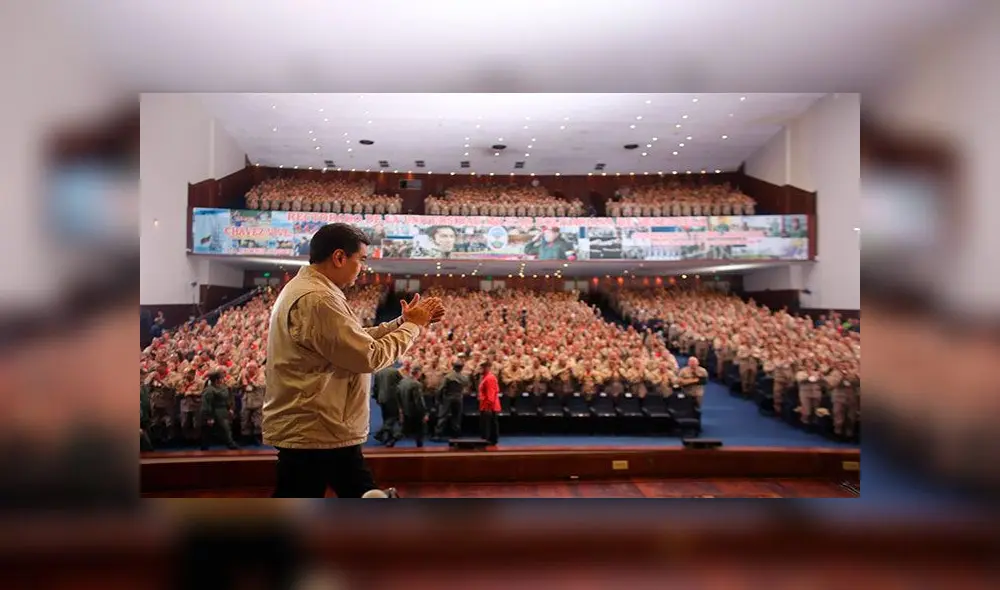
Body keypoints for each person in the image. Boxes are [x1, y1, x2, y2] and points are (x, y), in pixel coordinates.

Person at [263, 223, 445, 498]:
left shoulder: (311, 289)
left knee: (346, 489)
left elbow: (353, 339)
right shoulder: (318, 299)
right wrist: (413, 327)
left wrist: (402, 322)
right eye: (361, 260)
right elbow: (368, 355)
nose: (363, 268)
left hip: (320, 423)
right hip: (317, 425)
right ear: (339, 257)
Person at [200, 371, 239, 450]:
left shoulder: (223, 387)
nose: (223, 379)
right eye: (221, 378)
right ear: (216, 379)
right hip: (214, 411)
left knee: (226, 429)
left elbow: (227, 399)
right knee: (209, 431)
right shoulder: (209, 390)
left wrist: (230, 408)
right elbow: (207, 404)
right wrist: (209, 417)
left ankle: (230, 444)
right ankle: (230, 444)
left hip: (223, 411)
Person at [433, 361, 469, 440]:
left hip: (448, 397)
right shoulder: (464, 377)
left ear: (453, 367)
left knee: (443, 416)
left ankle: (438, 434)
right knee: (456, 417)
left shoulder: (448, 377)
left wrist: (438, 399)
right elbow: (467, 386)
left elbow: (441, 388)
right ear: (461, 368)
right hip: (459, 397)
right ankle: (456, 434)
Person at [398, 366, 428, 448]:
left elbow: (398, 395)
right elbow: (419, 401)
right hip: (415, 411)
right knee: (420, 430)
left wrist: (401, 408)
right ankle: (420, 447)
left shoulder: (402, 381)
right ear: (418, 374)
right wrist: (424, 413)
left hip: (405, 409)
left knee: (404, 429)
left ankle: (391, 441)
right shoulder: (416, 384)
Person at [373, 364, 403, 446]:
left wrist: (376, 398)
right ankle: (380, 433)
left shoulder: (377, 372)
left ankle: (387, 436)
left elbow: (375, 387)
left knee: (386, 417)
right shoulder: (395, 371)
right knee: (393, 417)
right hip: (392, 398)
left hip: (381, 398)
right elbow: (402, 384)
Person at [478, 361, 500, 445]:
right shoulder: (485, 377)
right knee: (489, 423)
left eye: (482, 368)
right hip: (486, 405)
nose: (480, 369)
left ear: (487, 368)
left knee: (489, 424)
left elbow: (491, 394)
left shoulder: (489, 378)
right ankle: (489, 439)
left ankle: (488, 440)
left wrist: (488, 407)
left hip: (489, 406)